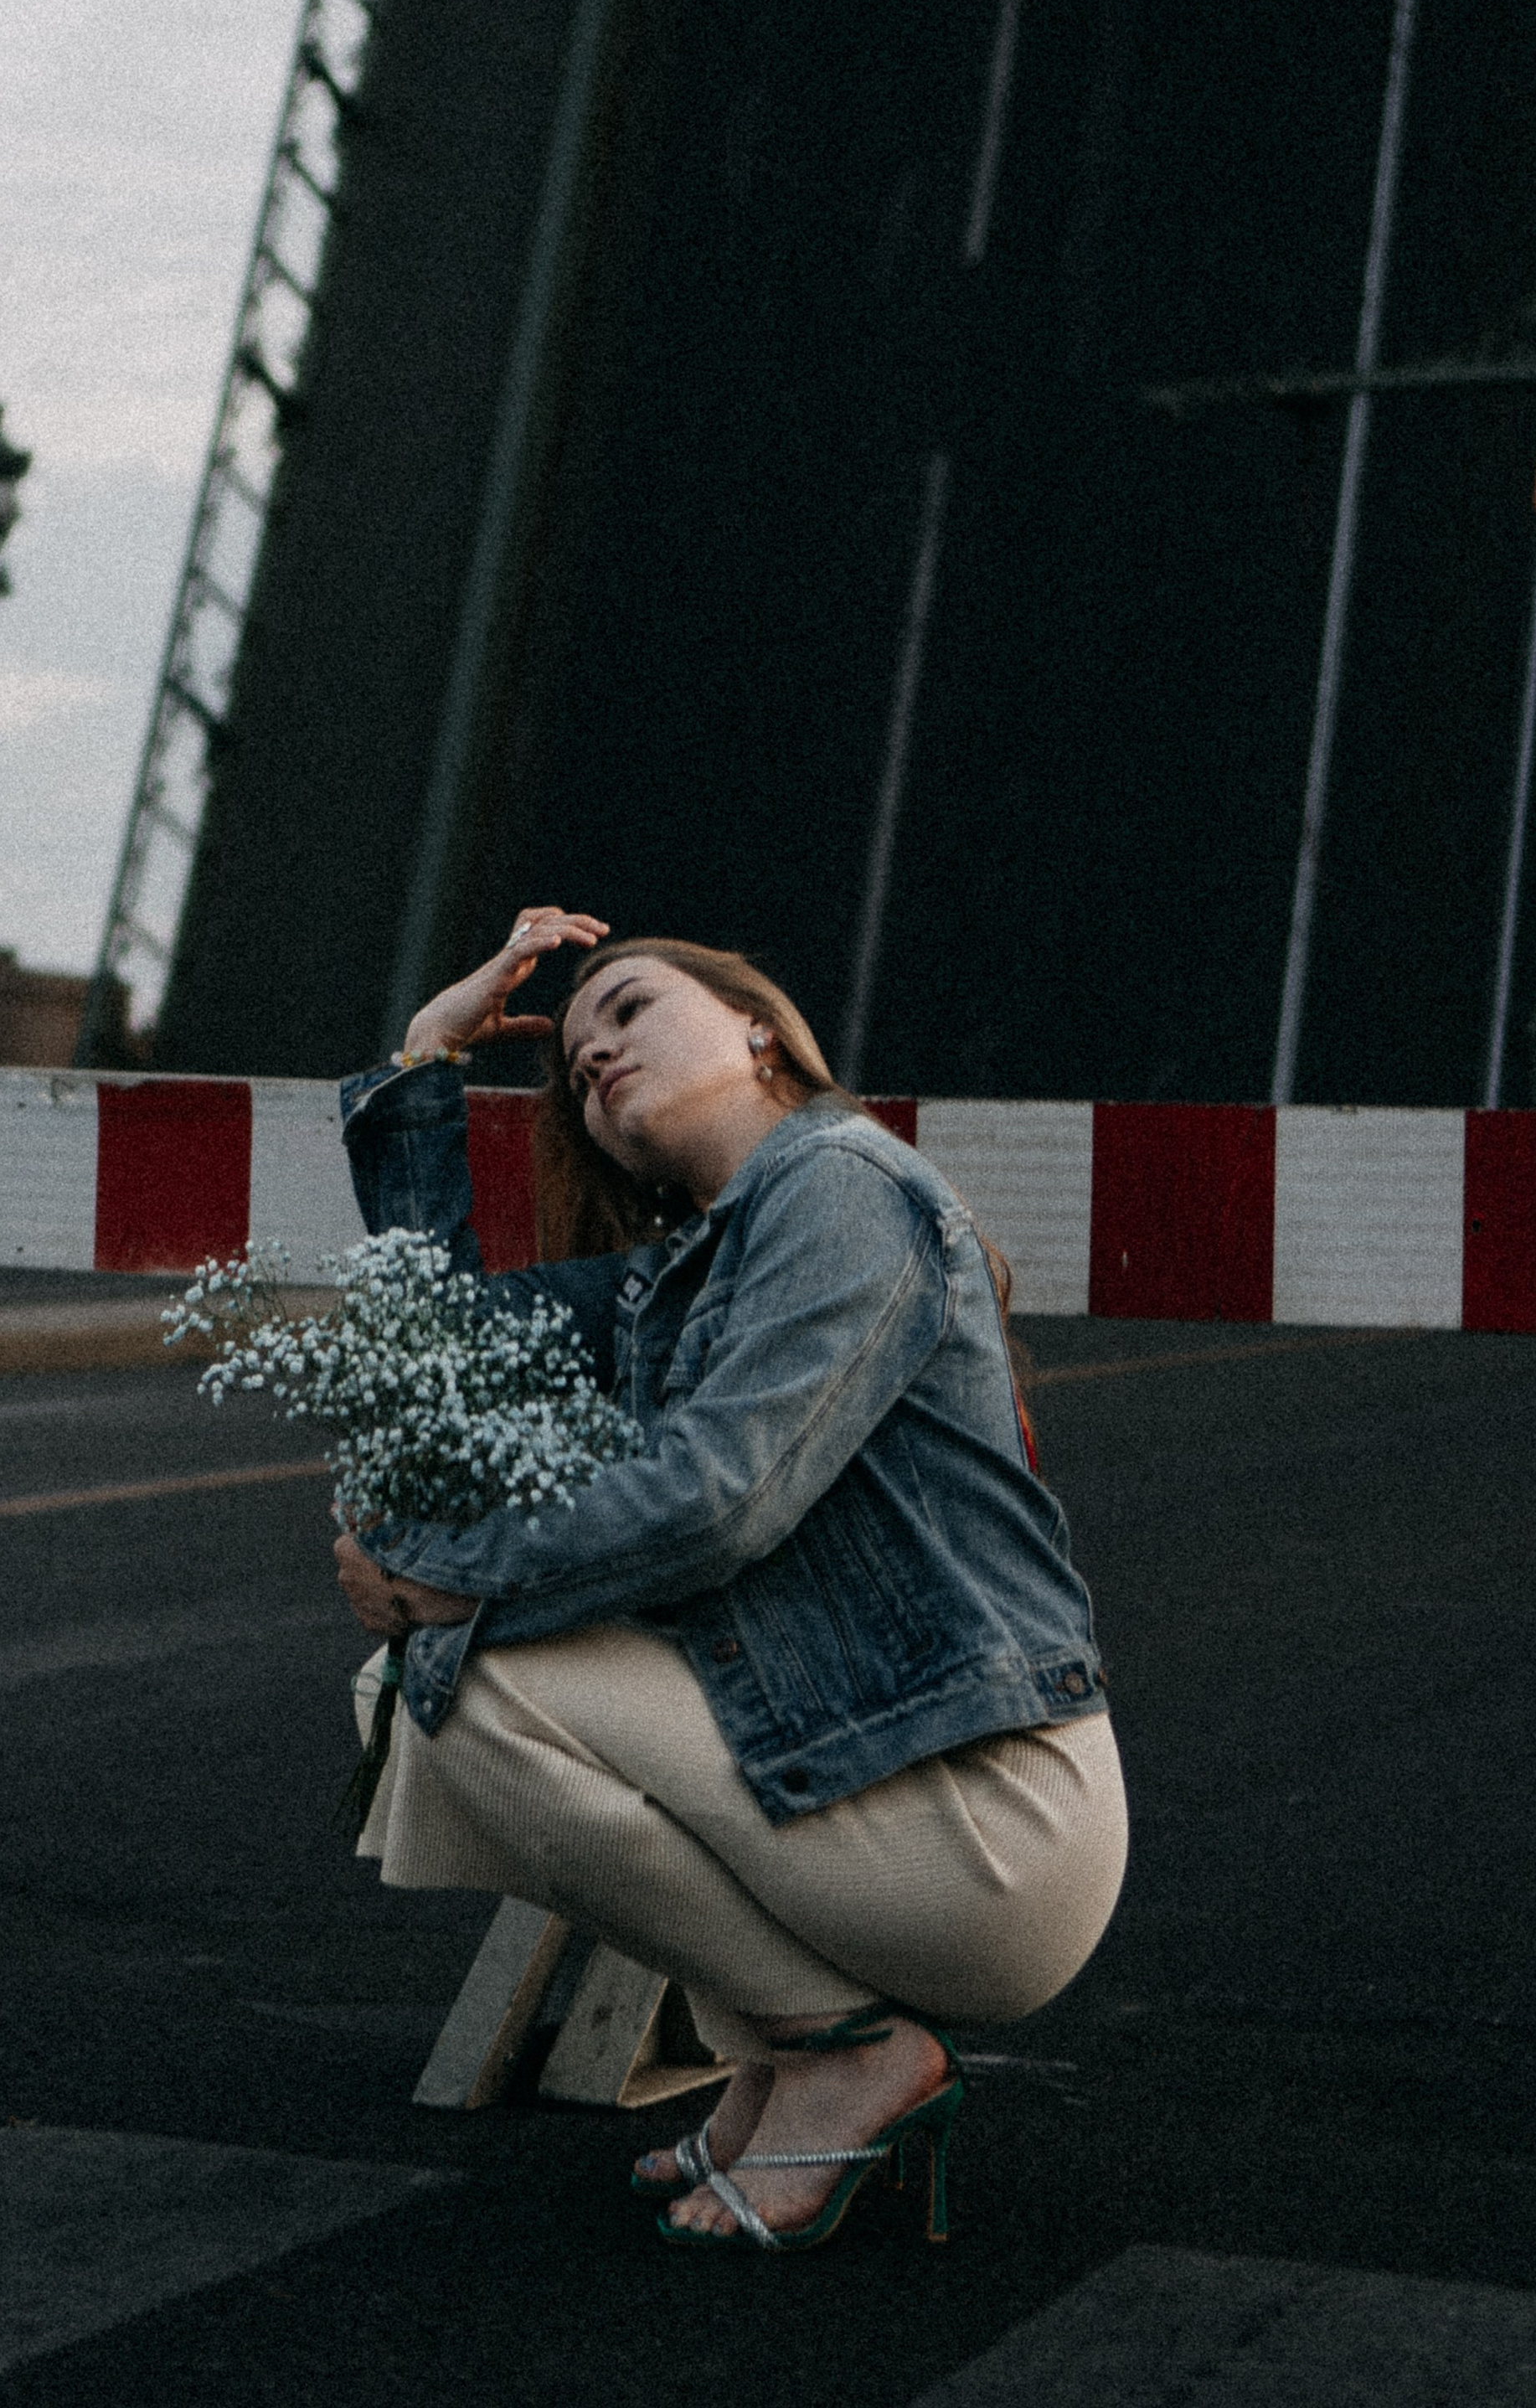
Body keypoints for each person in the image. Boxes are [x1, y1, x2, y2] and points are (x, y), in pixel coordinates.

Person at [332, 905, 1126, 2252]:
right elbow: (439, 1349)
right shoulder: (682, 1277)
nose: (593, 1058)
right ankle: (783, 2055)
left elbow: (720, 1502)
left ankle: (844, 2052)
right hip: (859, 1774)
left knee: (468, 1679)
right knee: (397, 1681)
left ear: (758, 1026)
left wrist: (446, 1579)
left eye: (629, 1010)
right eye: (576, 1061)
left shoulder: (845, 1190)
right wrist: (425, 1059)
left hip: (987, 1820)